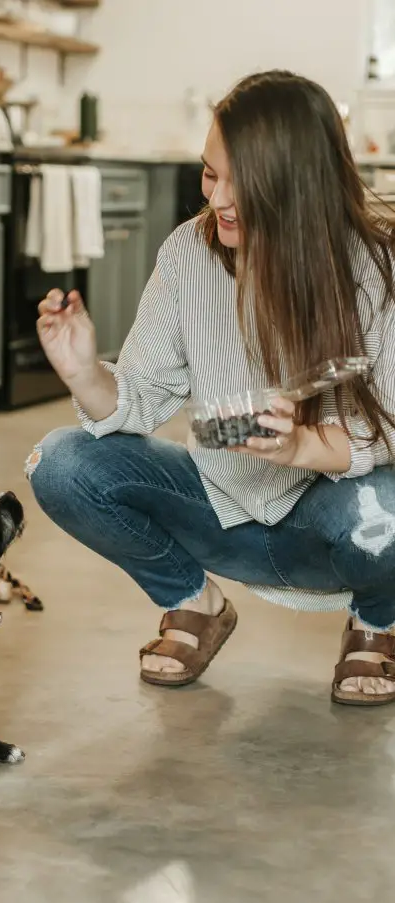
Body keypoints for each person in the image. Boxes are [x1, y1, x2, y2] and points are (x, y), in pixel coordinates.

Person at [27, 70, 395, 707]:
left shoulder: (377, 263)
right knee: (59, 463)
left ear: (298, 182)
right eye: (209, 174)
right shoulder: (187, 254)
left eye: (238, 181)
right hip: (223, 501)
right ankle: (192, 603)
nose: (218, 199)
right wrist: (84, 371)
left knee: (385, 508)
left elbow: (387, 425)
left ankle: (378, 619)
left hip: (332, 518)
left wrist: (302, 445)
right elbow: (141, 398)